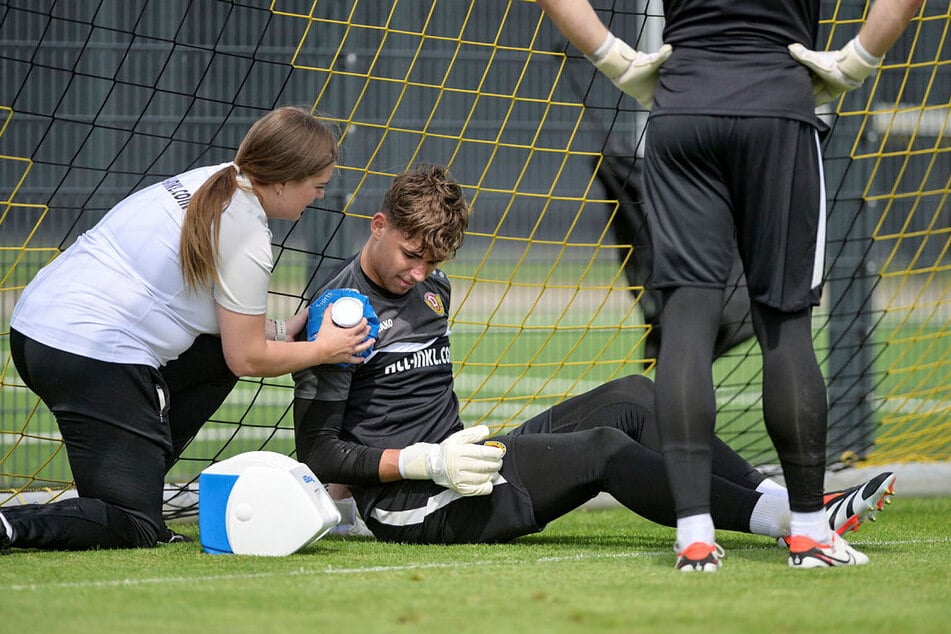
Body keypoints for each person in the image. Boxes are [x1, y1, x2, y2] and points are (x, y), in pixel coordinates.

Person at [291, 163, 895, 552]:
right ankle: (792, 524)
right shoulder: (337, 314)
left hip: (463, 466)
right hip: (416, 504)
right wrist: (426, 462)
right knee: (605, 449)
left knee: (634, 393)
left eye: (434, 261)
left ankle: (787, 502)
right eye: (410, 253)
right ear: (377, 225)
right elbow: (319, 452)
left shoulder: (432, 288)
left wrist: (451, 455)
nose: (420, 272)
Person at [535, 0, 922, 570]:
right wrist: (857, 61)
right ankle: (810, 534)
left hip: (683, 107)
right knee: (785, 328)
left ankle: (694, 538)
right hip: (779, 109)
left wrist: (617, 61)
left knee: (686, 326)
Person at [0, 106, 374, 552]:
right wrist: (326, 349)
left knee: (212, 364)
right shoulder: (246, 230)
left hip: (35, 333)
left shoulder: (215, 179)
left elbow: (206, 317)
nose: (317, 197)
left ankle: (136, 476)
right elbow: (248, 357)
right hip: (90, 354)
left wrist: (280, 329)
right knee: (135, 525)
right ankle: (11, 526)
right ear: (281, 182)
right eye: (317, 187)